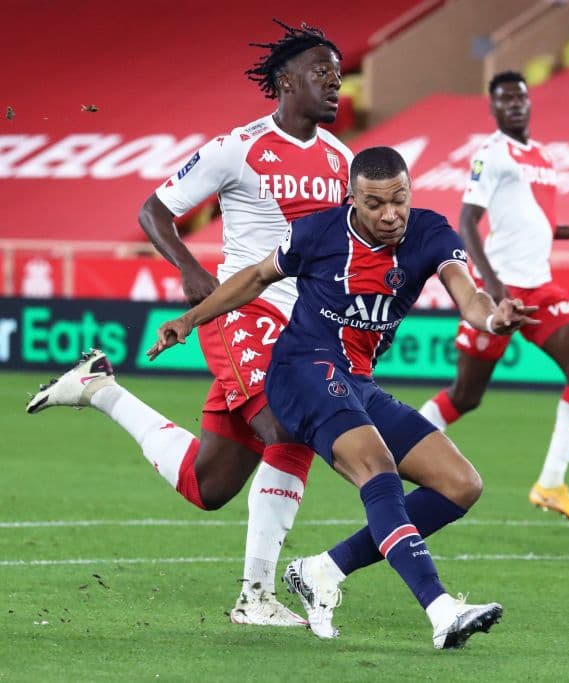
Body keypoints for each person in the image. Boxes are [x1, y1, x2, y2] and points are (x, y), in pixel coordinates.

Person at [27, 21, 353, 626]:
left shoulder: (342, 160)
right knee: (291, 426)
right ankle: (256, 597)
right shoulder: (238, 147)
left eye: (339, 75)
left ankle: (99, 389)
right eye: (322, 73)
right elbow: (154, 209)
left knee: (209, 486)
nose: (336, 84)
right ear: (286, 81)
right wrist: (189, 271)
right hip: (240, 311)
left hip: (304, 327)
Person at [148, 146, 534, 648]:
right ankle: (441, 611)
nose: (391, 214)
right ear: (351, 198)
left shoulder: (431, 231)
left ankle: (322, 570)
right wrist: (189, 319)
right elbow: (255, 278)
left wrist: (491, 318)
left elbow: (467, 293)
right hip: (299, 369)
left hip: (356, 380)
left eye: (400, 198)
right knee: (378, 469)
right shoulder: (320, 233)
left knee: (460, 484)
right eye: (375, 204)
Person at [418, 71, 569, 522]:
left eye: (520, 98)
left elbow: (536, 222)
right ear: (493, 108)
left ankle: (550, 483)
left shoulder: (542, 156)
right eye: (504, 100)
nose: (514, 106)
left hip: (541, 287)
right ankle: (394, 449)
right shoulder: (492, 154)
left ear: (529, 103)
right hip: (499, 290)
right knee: (465, 396)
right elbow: (467, 222)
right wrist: (494, 288)